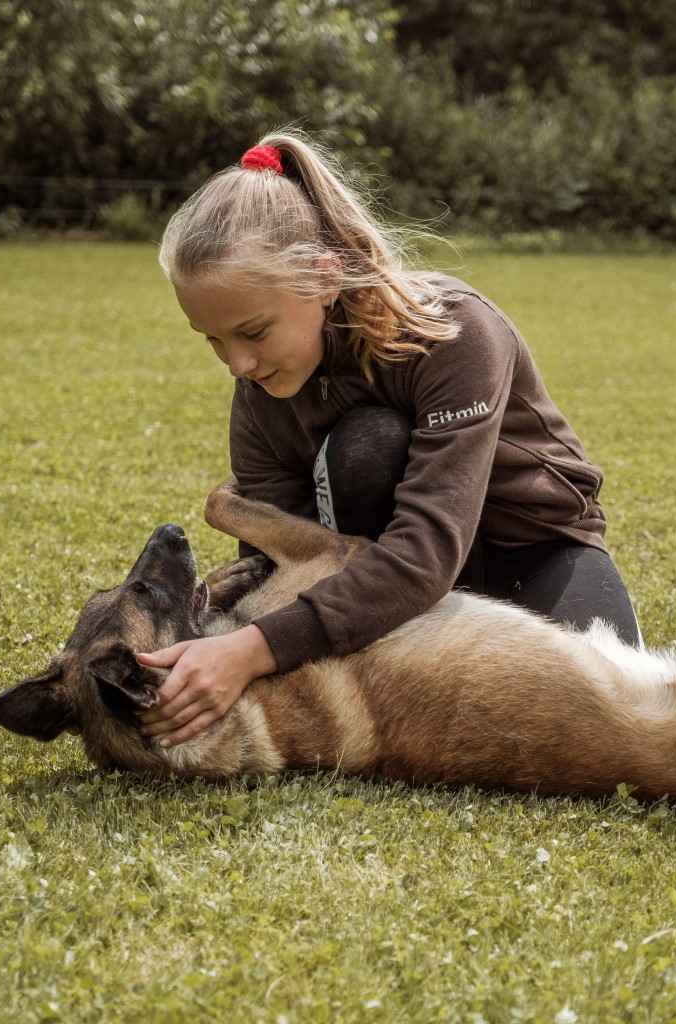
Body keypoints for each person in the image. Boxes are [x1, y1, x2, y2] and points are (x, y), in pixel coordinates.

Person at [136, 129, 641, 748]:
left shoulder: (456, 332)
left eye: (254, 331)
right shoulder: (258, 391)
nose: (236, 364)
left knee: (613, 723)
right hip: (392, 594)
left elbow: (425, 550)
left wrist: (250, 650)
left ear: (324, 278)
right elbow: (281, 559)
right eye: (213, 339)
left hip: (533, 554)